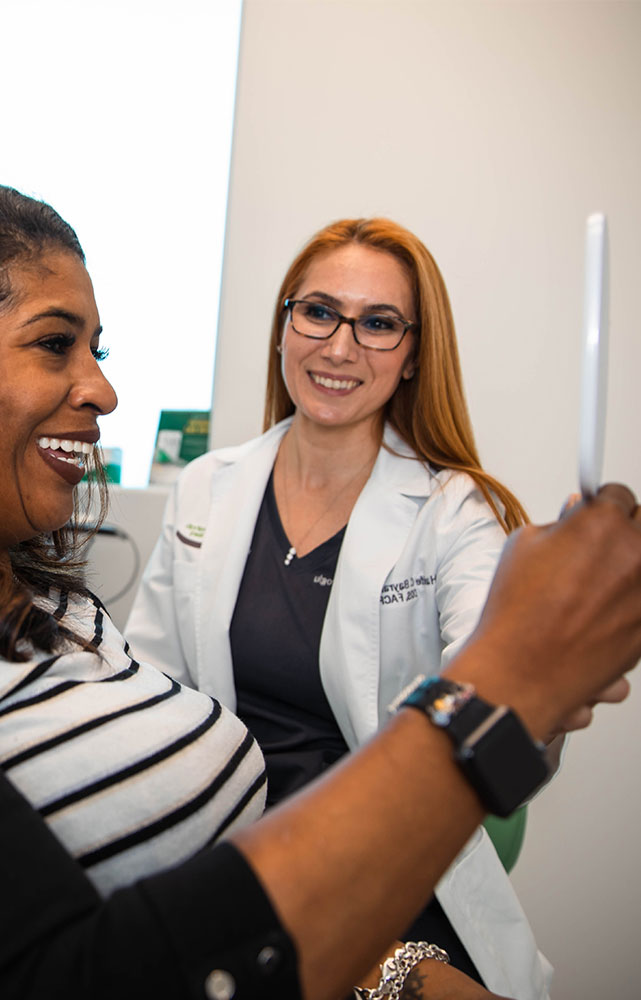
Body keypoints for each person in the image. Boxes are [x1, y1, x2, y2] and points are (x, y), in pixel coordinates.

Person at [0, 184, 638, 1000]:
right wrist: (506, 684)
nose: (101, 390)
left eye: (379, 322)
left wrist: (392, 968)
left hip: (345, 922)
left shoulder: (34, 597)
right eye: (54, 345)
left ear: (411, 352)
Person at [126, 219, 563, 996]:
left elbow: (500, 704)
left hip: (385, 868)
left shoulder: (454, 511)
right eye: (318, 312)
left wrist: (546, 672)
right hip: (227, 852)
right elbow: (149, 691)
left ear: (414, 354)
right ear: (284, 325)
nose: (338, 347)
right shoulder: (208, 485)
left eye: (378, 324)